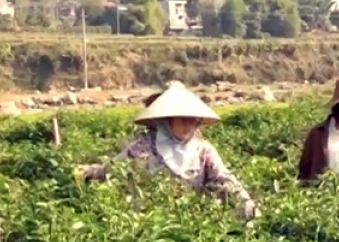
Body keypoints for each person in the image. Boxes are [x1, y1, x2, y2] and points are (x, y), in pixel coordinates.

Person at [76, 81, 259, 219]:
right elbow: (113, 169)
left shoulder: (203, 151)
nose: (189, 124)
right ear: (168, 119)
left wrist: (248, 205)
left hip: (193, 221)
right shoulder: (144, 148)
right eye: (183, 118)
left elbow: (225, 180)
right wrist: (85, 172)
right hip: (152, 223)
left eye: (193, 119)